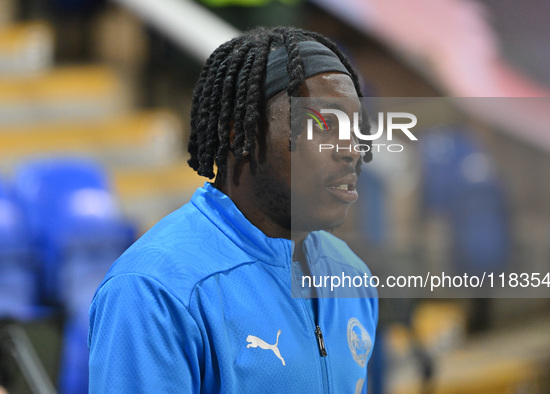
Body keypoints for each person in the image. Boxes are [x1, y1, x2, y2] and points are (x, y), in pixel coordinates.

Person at [88, 26, 378, 393]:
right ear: (237, 133)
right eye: (320, 124)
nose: (350, 148)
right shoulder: (154, 290)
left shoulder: (351, 275)